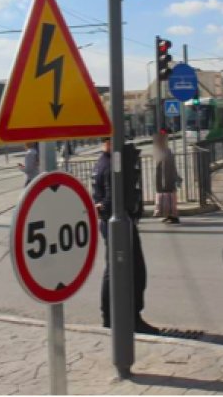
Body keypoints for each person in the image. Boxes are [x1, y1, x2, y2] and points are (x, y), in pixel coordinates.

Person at [91, 137, 159, 334]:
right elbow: (111, 199)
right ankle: (123, 318)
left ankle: (113, 317)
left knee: (118, 270)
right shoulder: (110, 164)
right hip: (117, 223)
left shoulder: (102, 162)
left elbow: (103, 199)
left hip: (113, 222)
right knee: (131, 271)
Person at [152, 131, 181, 224]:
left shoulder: (166, 152)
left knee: (169, 199)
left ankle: (174, 217)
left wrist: (164, 182)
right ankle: (169, 216)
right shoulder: (164, 151)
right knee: (167, 199)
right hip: (164, 180)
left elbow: (166, 168)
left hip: (167, 180)